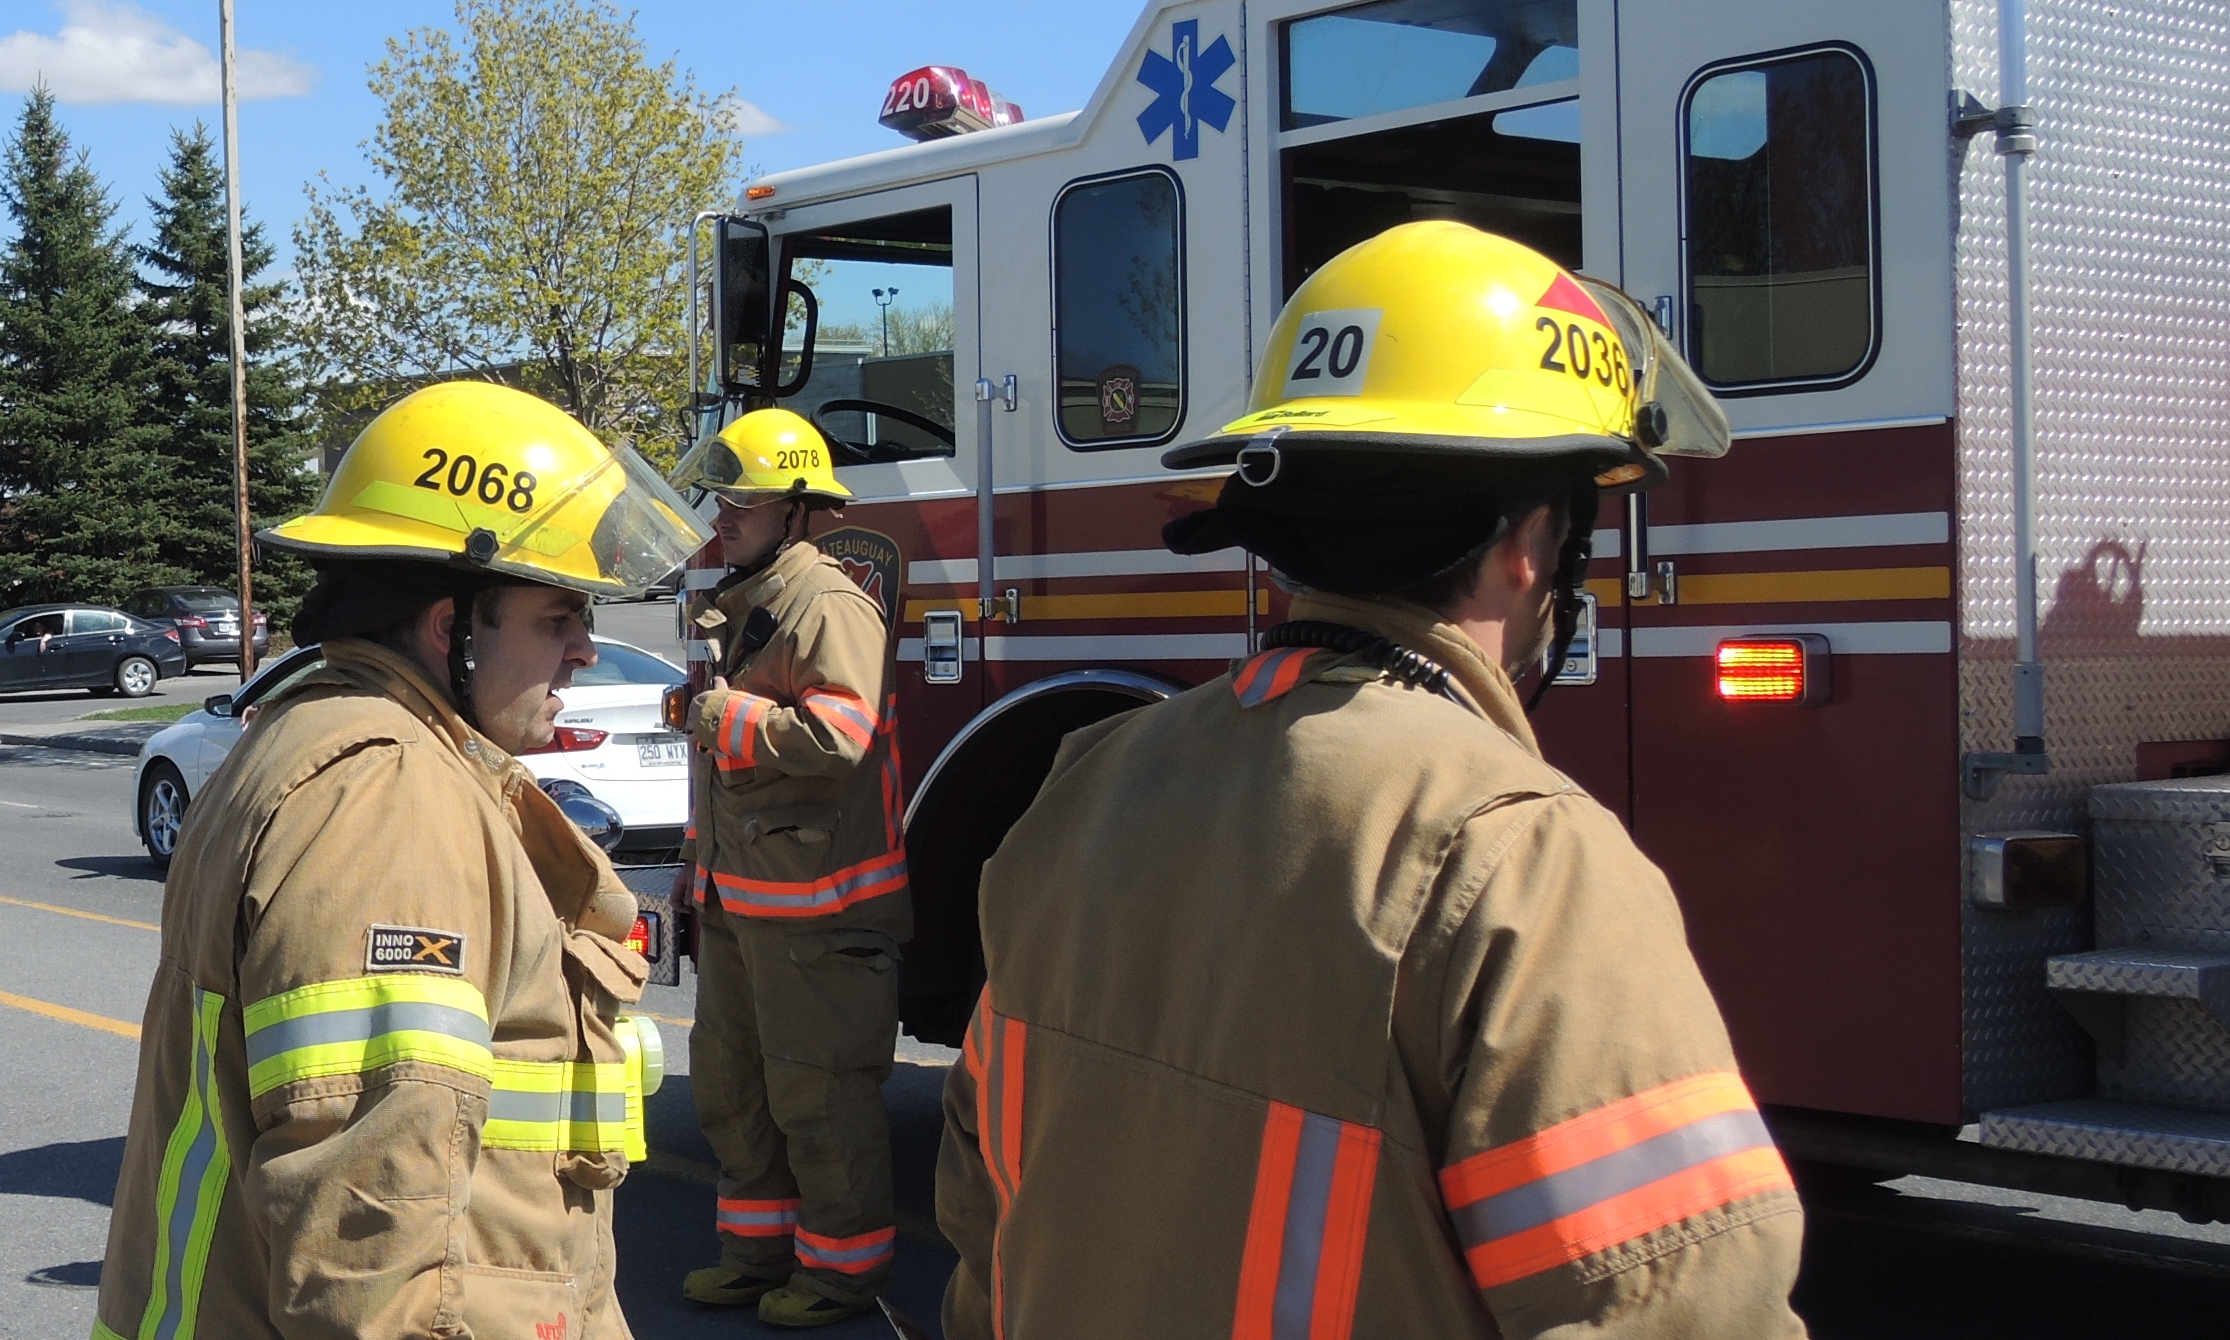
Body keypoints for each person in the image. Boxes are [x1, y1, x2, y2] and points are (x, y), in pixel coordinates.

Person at [937, 222, 1810, 1339]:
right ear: (1533, 545)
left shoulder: (1085, 786)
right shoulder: (1522, 857)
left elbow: (982, 1216)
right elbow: (1682, 1306)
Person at [93, 381, 709, 1340]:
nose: (587, 651)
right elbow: (368, 1239)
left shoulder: (328, 742)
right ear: (447, 626)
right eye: (556, 618)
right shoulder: (388, 798)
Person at [665, 408, 910, 1329]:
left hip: (818, 910)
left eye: (743, 503)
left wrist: (720, 717)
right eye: (719, 500)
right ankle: (754, 1255)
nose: (721, 517)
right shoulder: (742, 599)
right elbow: (725, 757)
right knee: (735, 1086)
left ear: (799, 511)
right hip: (742, 897)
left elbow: (841, 737)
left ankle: (844, 1275)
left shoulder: (830, 604)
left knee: (819, 1094)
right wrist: (696, 866)